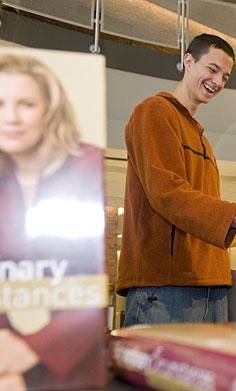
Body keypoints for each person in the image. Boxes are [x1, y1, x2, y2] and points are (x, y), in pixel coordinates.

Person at [117, 34, 236, 326]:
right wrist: (235, 215)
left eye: (225, 77)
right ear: (188, 61)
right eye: (212, 69)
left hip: (212, 285)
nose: (218, 82)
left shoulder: (202, 139)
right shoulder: (154, 111)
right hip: (167, 288)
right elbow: (166, 192)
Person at [0, 54, 105, 390]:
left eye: (26, 104)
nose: (11, 118)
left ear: (49, 108)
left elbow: (90, 281)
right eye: (0, 103)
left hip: (69, 360)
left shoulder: (88, 164)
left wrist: (31, 348)